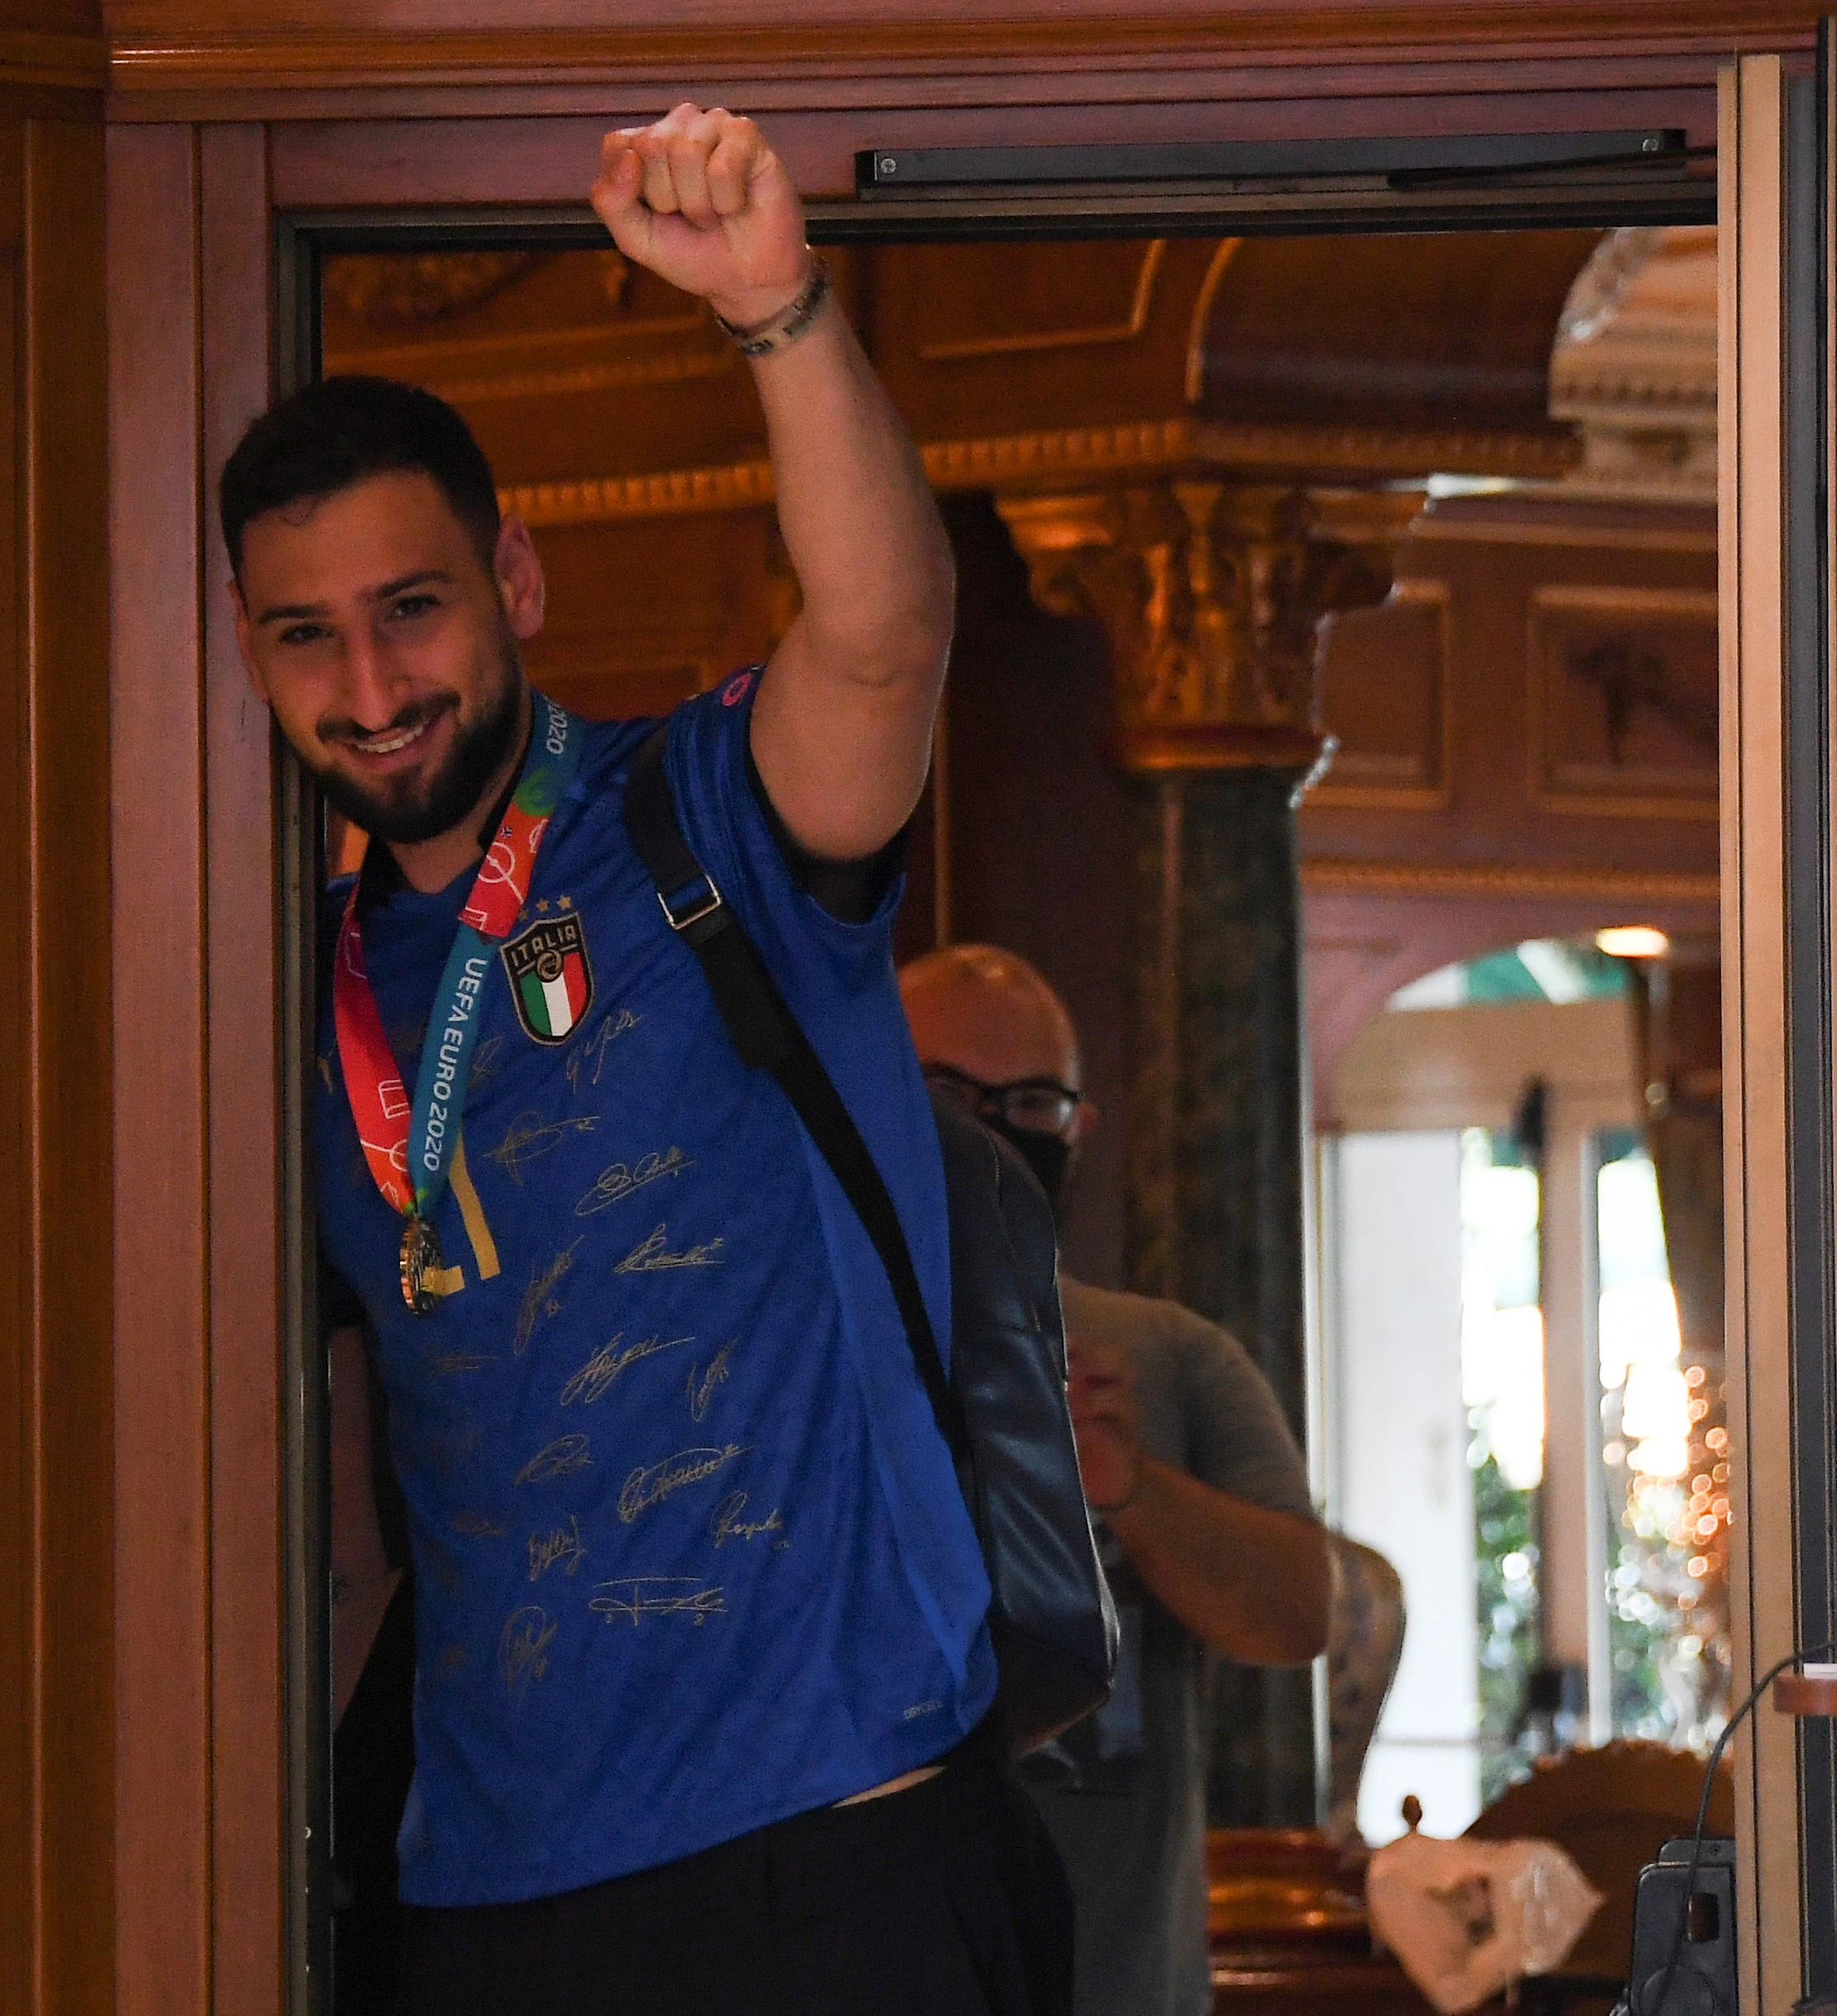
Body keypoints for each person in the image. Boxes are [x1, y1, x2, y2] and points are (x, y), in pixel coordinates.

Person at [233, 103, 1070, 2016]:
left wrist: (774, 309)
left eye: (412, 608)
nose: (370, 689)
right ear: (247, 653)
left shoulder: (696, 814)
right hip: (489, 1888)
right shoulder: (280, 1005)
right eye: (306, 638)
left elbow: (880, 636)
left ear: (513, 582)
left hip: (834, 1848)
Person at [897, 944, 1332, 2016]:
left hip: (1120, 1982)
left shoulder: (1168, 1357)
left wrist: (1132, 1485)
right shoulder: (798, 1349)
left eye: (1030, 1102)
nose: (989, 1131)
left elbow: (1300, 1608)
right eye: (945, 1092)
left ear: (1079, 1127)